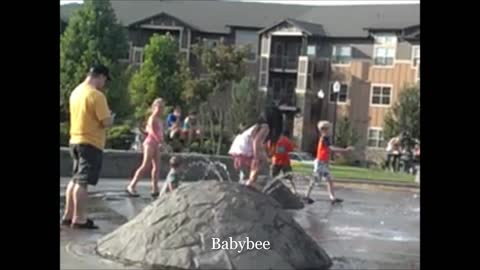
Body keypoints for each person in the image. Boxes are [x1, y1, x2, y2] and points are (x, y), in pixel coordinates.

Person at [60, 64, 113, 229]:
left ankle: (68, 215)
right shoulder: (96, 96)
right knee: (83, 182)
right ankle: (80, 218)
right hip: (90, 142)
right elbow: (105, 121)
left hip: (74, 140)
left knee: (75, 179)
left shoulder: (76, 92)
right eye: (105, 80)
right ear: (100, 76)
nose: (104, 84)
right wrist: (111, 118)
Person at [304, 121, 353, 205]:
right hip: (320, 163)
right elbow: (331, 148)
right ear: (323, 130)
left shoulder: (325, 138)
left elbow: (327, 150)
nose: (329, 130)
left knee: (329, 180)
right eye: (328, 128)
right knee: (315, 180)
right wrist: (344, 150)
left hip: (324, 163)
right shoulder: (324, 138)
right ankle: (306, 196)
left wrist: (336, 154)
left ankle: (332, 198)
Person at [126, 98, 165, 198]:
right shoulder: (152, 118)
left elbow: (161, 133)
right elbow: (152, 132)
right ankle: (132, 185)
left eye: (162, 107)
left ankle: (155, 188)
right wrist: (160, 141)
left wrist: (162, 142)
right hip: (150, 143)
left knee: (157, 167)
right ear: (154, 108)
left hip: (157, 144)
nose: (161, 109)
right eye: (159, 107)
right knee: (146, 165)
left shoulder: (160, 120)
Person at [228, 117, 270, 189]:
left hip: (239, 148)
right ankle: (250, 182)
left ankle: (247, 182)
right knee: (259, 161)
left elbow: (258, 143)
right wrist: (257, 157)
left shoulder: (255, 127)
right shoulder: (265, 127)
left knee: (245, 172)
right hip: (244, 150)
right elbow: (256, 142)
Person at [270, 129, 297, 194]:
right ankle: (294, 190)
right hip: (285, 162)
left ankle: (271, 190)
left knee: (273, 177)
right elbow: (291, 150)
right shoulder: (287, 141)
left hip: (276, 161)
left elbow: (271, 150)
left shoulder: (274, 140)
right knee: (289, 177)